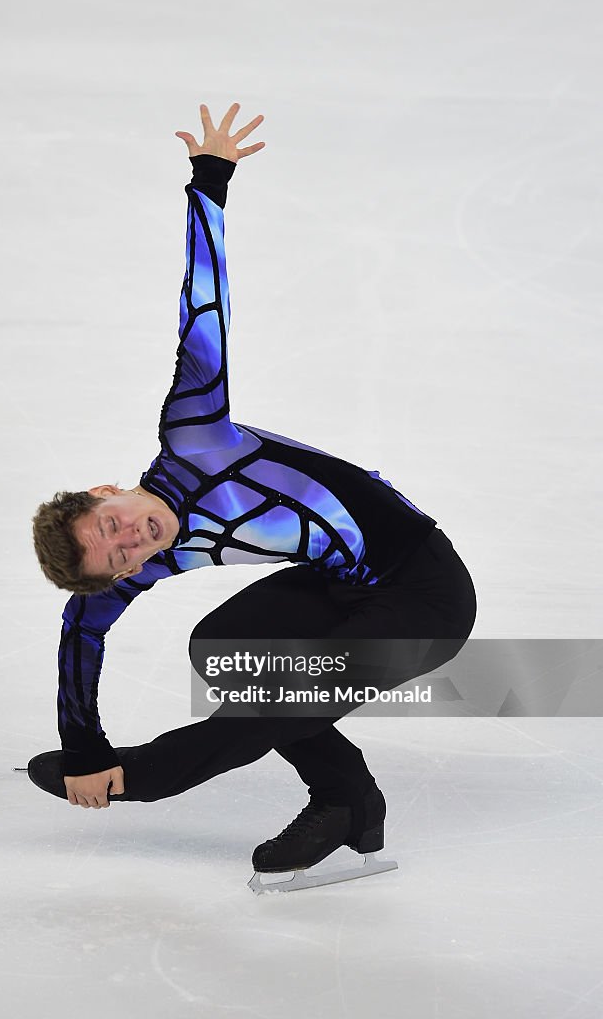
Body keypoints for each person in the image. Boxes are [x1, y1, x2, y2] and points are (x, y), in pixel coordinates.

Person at [28, 102, 477, 877]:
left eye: (113, 525)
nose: (130, 543)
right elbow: (82, 632)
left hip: (428, 593)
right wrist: (81, 749)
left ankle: (155, 775)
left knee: (274, 698)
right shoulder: (138, 566)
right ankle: (347, 802)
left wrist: (209, 181)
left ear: (108, 491)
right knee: (225, 651)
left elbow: (202, 313)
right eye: (118, 559)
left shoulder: (196, 437)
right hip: (343, 585)